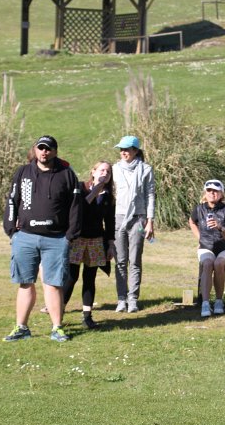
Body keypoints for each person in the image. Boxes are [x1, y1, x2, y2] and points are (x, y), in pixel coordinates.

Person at [2, 135, 82, 343]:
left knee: (53, 284)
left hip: (56, 239)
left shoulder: (67, 174)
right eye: (41, 148)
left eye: (48, 148)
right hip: (25, 237)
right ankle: (21, 327)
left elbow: (76, 207)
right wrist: (11, 230)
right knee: (25, 282)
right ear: (35, 150)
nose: (44, 152)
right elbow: (12, 201)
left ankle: (57, 328)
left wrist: (70, 236)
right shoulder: (23, 172)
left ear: (55, 151)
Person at [62, 161, 116, 329]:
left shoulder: (108, 196)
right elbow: (81, 208)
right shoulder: (81, 187)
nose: (105, 173)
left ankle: (87, 316)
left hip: (95, 240)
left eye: (108, 172)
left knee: (90, 278)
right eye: (102, 170)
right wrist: (96, 189)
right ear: (93, 172)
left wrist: (111, 244)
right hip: (77, 238)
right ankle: (59, 311)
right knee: (71, 277)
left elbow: (110, 222)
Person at [112, 135, 155, 314]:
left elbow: (150, 195)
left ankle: (133, 299)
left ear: (135, 151)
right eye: (121, 149)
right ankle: (121, 299)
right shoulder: (114, 169)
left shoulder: (146, 169)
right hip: (118, 218)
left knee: (135, 260)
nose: (124, 152)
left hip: (138, 218)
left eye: (127, 149)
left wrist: (150, 221)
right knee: (120, 261)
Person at [190, 179, 225, 317]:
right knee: (207, 263)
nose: (212, 193)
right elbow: (192, 222)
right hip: (206, 247)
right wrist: (200, 238)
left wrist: (220, 227)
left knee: (218, 263)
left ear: (221, 194)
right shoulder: (199, 209)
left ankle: (218, 301)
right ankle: (205, 303)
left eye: (216, 191)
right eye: (209, 190)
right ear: (205, 193)